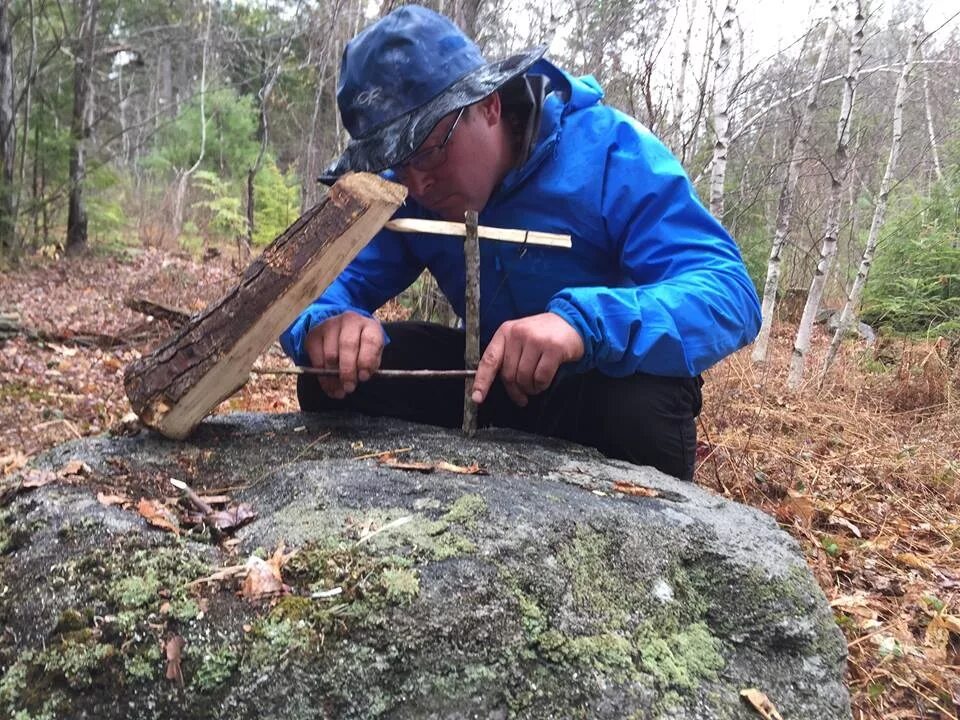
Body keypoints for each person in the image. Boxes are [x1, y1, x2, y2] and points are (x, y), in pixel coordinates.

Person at [281, 5, 761, 481]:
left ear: (488, 104)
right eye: (396, 160)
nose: (418, 183)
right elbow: (313, 285)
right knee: (335, 380)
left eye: (429, 149)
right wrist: (326, 323)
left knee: (639, 412)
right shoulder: (409, 190)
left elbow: (728, 291)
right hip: (490, 382)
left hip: (601, 388)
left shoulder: (610, 151)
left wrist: (581, 325)